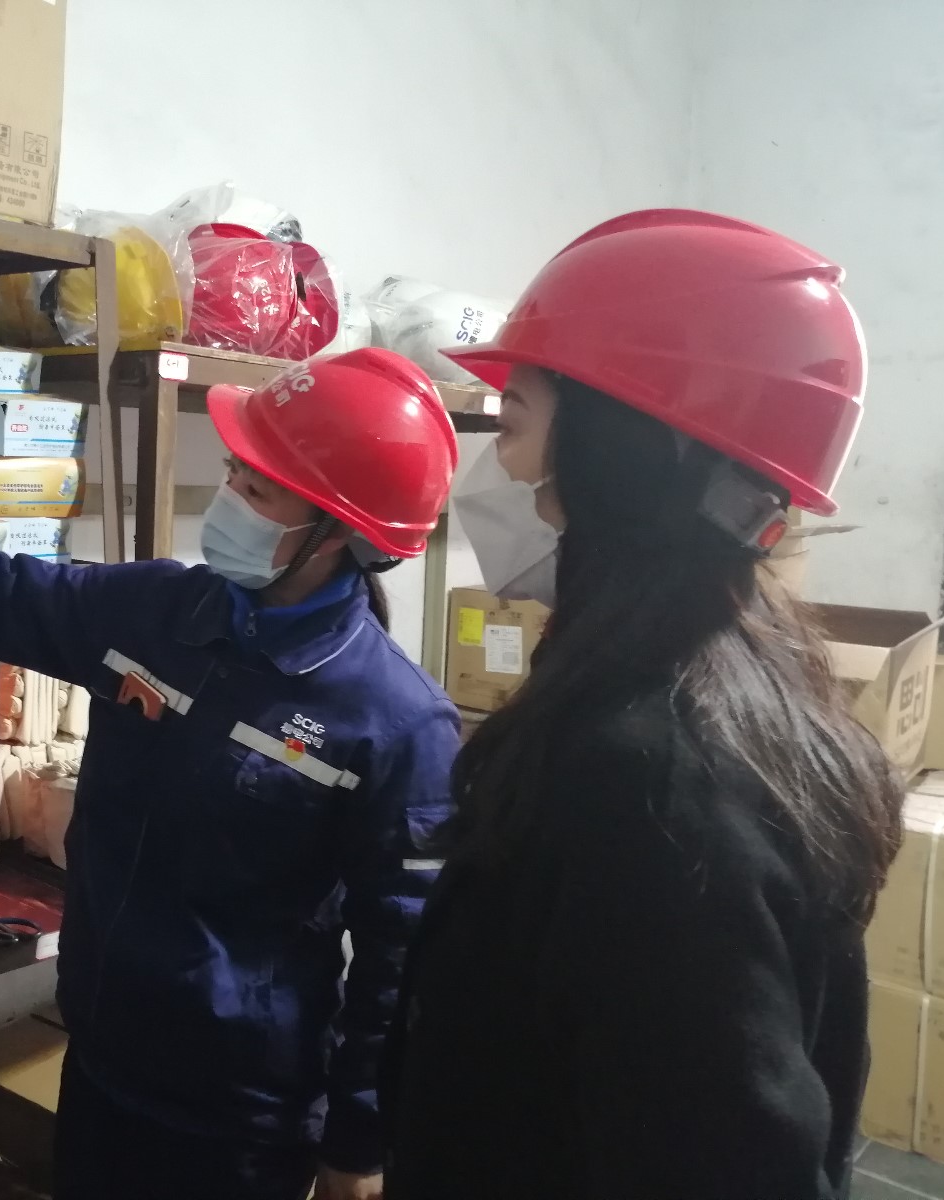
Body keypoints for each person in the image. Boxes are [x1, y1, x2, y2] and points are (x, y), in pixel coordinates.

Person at [0, 348, 461, 1200]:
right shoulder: (155, 612)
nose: (229, 499)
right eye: (235, 473)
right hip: (105, 1051)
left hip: (239, 1110)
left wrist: (358, 1144)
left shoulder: (396, 721)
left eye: (258, 492)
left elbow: (398, 960)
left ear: (337, 535)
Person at [382, 209, 903, 1199]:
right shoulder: (734, 699)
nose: (497, 473)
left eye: (515, 427)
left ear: (620, 452)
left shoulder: (651, 782)